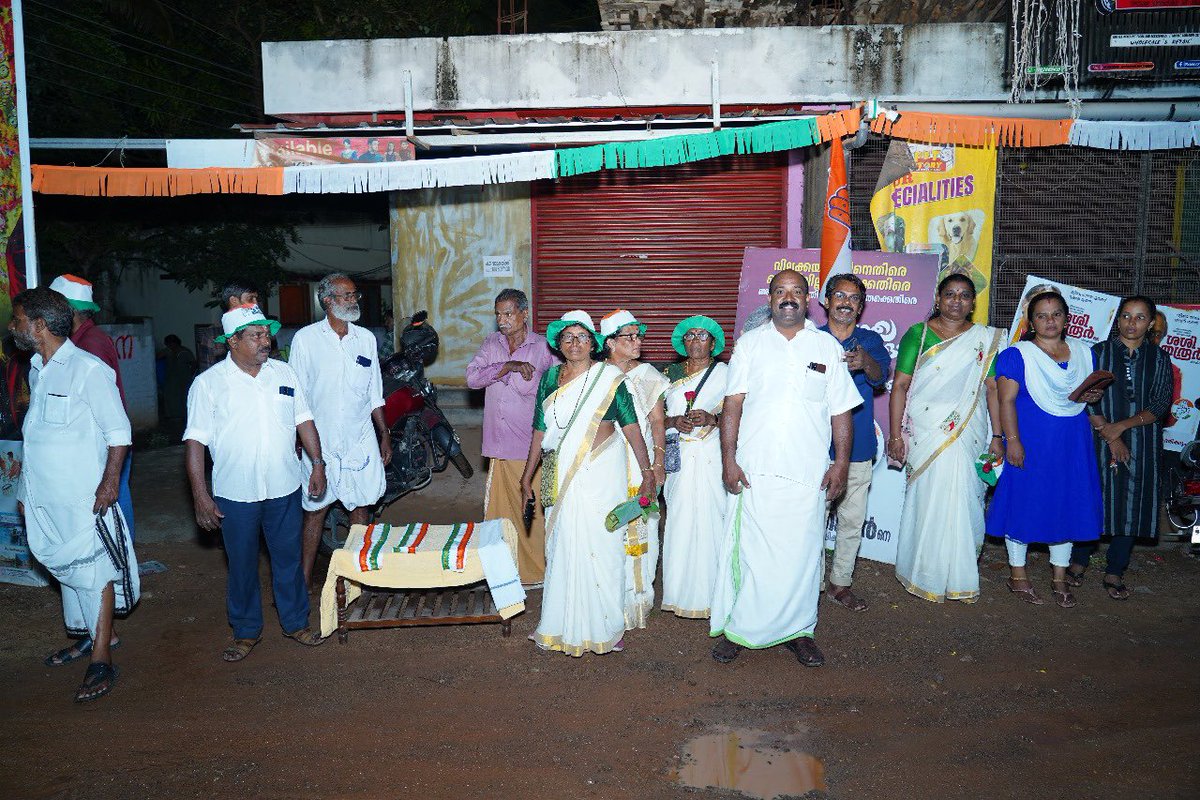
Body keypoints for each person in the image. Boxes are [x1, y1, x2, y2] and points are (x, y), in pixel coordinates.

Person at [711, 270, 859, 667]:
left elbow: (841, 410)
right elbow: (733, 404)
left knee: (802, 553)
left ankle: (799, 630)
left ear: (809, 299)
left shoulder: (826, 347)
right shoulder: (751, 344)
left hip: (808, 470)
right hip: (755, 470)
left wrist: (841, 464)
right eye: (780, 291)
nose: (788, 298)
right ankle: (739, 629)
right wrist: (728, 457)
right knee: (753, 552)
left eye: (796, 291)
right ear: (771, 298)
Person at [11, 287, 137, 702]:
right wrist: (26, 490)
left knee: (94, 569)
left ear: (39, 326)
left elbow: (119, 433)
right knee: (68, 572)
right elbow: (35, 437)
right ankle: (93, 636)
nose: (13, 327)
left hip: (84, 495)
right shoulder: (37, 368)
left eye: (18, 320)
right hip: (45, 496)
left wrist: (109, 483)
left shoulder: (88, 368)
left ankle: (101, 658)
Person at [184, 304, 327, 661]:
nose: (266, 341)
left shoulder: (284, 373)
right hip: (235, 494)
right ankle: (246, 632)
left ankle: (296, 623)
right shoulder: (208, 385)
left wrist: (318, 464)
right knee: (242, 564)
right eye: (256, 335)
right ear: (232, 342)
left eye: (267, 334)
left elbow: (304, 420)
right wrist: (200, 495)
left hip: (283, 488)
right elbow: (195, 443)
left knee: (288, 560)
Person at [519, 310, 655, 657]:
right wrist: (526, 477)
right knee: (562, 546)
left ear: (593, 343)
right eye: (568, 337)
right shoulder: (550, 379)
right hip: (561, 472)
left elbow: (631, 428)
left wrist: (648, 472)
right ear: (558, 344)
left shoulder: (608, 378)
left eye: (582, 337)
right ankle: (559, 624)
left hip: (601, 474)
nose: (575, 343)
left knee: (604, 548)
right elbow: (539, 429)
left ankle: (607, 625)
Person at [888, 273, 1004, 604]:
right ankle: (922, 573)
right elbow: (900, 385)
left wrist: (997, 436)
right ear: (938, 298)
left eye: (964, 295)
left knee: (966, 498)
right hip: (926, 429)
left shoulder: (985, 338)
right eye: (950, 294)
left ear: (972, 303)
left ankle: (960, 576)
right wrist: (895, 433)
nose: (956, 301)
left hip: (969, 429)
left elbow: (992, 388)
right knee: (927, 498)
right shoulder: (919, 334)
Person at [986, 292, 1104, 608]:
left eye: (1055, 314)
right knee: (1024, 502)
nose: (1049, 321)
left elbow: (1084, 396)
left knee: (1065, 503)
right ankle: (1018, 574)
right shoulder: (1017, 355)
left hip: (1071, 443)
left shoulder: (1084, 353)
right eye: (1041, 315)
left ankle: (1059, 577)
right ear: (1031, 321)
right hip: (1030, 441)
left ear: (1066, 319)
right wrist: (1012, 442)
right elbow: (1005, 400)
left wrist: (1091, 397)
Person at [289, 274, 390, 588]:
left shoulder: (366, 339)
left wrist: (384, 433)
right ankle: (302, 583)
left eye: (354, 295)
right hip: (319, 441)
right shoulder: (306, 339)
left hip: (359, 438)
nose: (352, 300)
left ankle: (355, 580)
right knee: (315, 509)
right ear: (327, 301)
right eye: (345, 295)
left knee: (361, 505)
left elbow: (374, 391)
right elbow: (296, 394)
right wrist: (296, 439)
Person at [1068, 296, 1173, 600]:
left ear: (1151, 322)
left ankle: (1115, 569)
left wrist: (1123, 427)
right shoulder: (1098, 353)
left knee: (1132, 504)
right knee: (1095, 498)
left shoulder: (1160, 359)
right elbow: (1085, 396)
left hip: (1143, 441)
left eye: (1140, 318)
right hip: (1099, 437)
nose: (1132, 323)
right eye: (1126, 316)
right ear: (1118, 319)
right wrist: (1110, 435)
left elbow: (1160, 404)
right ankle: (1079, 561)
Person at [466, 288, 558, 586]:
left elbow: (562, 386)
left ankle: (540, 572)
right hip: (499, 444)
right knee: (500, 515)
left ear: (524, 313)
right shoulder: (491, 344)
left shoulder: (543, 347)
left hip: (530, 445)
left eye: (508, 313)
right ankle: (506, 571)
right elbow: (472, 378)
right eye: (498, 314)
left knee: (533, 514)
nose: (502, 320)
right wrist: (508, 365)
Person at [818, 274, 891, 613]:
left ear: (860, 307)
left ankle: (840, 584)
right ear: (826, 301)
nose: (845, 302)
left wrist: (866, 362)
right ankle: (810, 582)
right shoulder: (809, 339)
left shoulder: (870, 341)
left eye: (853, 298)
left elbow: (878, 378)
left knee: (850, 521)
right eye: (839, 296)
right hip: (814, 449)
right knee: (812, 521)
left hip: (858, 448)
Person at [48, 275, 135, 544]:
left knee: (114, 503)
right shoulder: (83, 339)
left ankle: (121, 563)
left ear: (67, 310)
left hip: (104, 441)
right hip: (99, 440)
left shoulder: (90, 343)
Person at [600, 309, 668, 629]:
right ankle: (608, 602)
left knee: (644, 533)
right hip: (607, 466)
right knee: (608, 532)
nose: (638, 341)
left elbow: (657, 421)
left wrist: (656, 465)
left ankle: (637, 604)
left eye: (639, 335)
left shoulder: (648, 375)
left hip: (642, 465)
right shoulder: (597, 377)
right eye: (630, 337)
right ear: (611, 343)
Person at [660, 315, 728, 620]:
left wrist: (713, 419)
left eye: (703, 336)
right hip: (679, 455)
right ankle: (678, 594)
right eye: (690, 336)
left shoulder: (727, 373)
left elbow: (744, 414)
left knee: (713, 517)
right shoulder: (668, 375)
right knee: (680, 518)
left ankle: (715, 594)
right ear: (682, 343)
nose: (696, 341)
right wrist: (675, 421)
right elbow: (651, 418)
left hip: (712, 454)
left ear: (713, 343)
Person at [159, 334, 196, 428]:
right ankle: (173, 417)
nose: (170, 346)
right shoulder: (166, 352)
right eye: (168, 344)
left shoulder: (185, 352)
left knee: (184, 397)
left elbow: (194, 364)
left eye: (172, 343)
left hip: (184, 378)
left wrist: (190, 375)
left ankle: (185, 417)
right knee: (170, 397)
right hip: (170, 379)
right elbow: (157, 357)